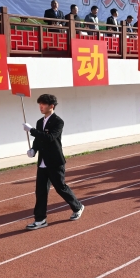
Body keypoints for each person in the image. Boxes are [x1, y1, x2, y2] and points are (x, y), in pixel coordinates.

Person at [22, 94, 84, 230]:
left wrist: (31, 130)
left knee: (60, 188)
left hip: (55, 161)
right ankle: (40, 219)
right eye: (39, 104)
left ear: (52, 106)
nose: (41, 107)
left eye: (43, 104)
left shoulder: (58, 121)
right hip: (42, 163)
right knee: (40, 191)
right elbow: (38, 140)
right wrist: (33, 149)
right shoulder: (39, 122)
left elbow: (50, 137)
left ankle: (77, 206)